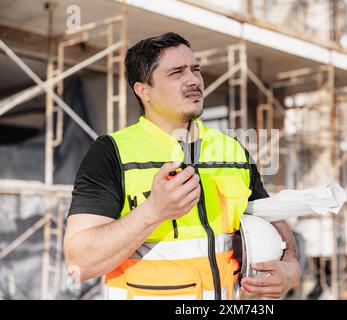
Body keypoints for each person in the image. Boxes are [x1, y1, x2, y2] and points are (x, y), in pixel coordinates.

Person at [64, 32, 300, 300]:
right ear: (144, 91)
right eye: (177, 72)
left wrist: (291, 265)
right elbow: (79, 262)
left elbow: (269, 218)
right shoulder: (112, 153)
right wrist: (154, 211)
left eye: (195, 69)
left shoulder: (232, 150)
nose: (193, 80)